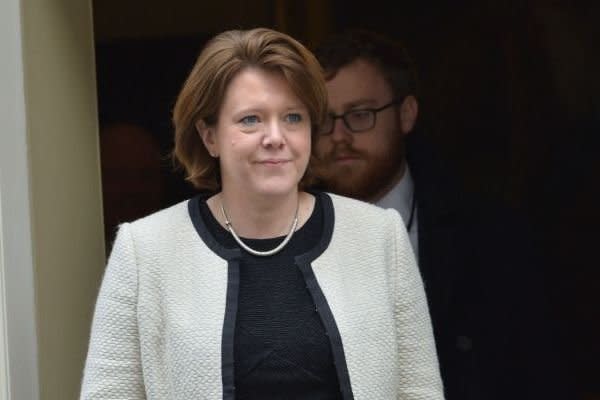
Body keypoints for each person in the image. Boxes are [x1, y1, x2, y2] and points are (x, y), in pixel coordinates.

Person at [80, 27, 444, 399]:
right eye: (250, 119)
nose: (275, 136)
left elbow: (419, 391)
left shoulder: (379, 236)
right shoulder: (144, 250)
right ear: (209, 135)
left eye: (292, 118)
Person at [312, 29, 571, 400]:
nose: (338, 135)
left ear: (406, 114)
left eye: (360, 115)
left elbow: (540, 375)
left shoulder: (491, 239)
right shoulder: (274, 238)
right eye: (324, 119)